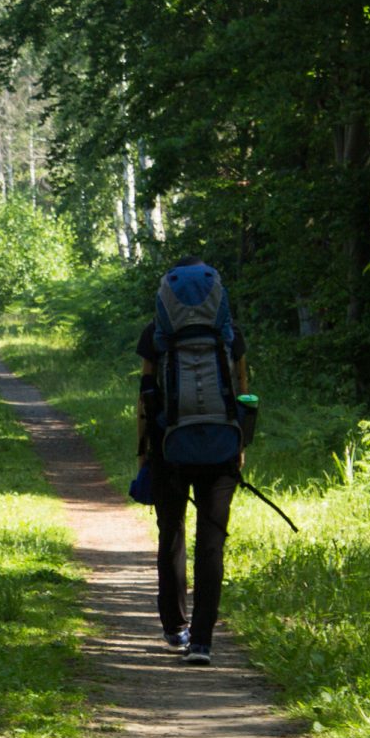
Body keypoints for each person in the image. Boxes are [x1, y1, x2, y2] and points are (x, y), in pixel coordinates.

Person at [135, 257, 249, 666]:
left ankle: (173, 627)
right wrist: (241, 444)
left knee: (172, 534)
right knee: (212, 543)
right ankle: (202, 641)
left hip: (169, 445)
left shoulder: (157, 335)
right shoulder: (228, 337)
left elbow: (146, 393)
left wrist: (145, 449)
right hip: (221, 447)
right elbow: (243, 392)